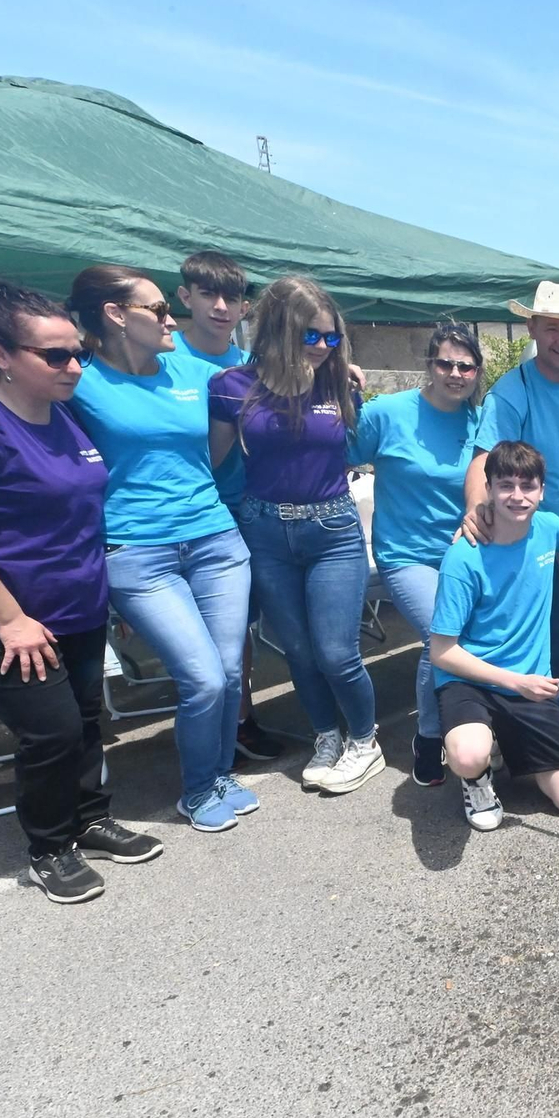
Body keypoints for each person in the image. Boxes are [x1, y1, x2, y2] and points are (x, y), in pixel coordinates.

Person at [0, 264, 257, 835]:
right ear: (117, 316)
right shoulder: (77, 379)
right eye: (157, 309)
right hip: (137, 551)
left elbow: (273, 376)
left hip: (216, 539)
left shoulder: (194, 369)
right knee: (203, 679)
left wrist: (334, 364)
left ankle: (218, 775)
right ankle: (197, 790)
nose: (172, 318)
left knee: (228, 673)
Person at [0, 259, 160, 905]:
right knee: (50, 730)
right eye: (54, 355)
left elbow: (76, 514)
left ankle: (90, 815)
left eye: (78, 353)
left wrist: (105, 593)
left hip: (73, 603)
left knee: (84, 717)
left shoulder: (60, 410)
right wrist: (10, 619)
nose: (73, 366)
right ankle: (52, 846)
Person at [208, 275, 382, 795]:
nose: (324, 347)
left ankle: (365, 742)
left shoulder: (337, 383)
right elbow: (211, 461)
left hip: (332, 529)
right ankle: (326, 735)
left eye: (332, 338)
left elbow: (358, 447)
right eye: (312, 336)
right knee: (298, 653)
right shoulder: (231, 387)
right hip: (263, 529)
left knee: (336, 651)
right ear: (281, 330)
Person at [463, 282, 559, 738]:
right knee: (523, 622)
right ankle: (513, 707)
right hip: (526, 535)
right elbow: (482, 458)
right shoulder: (512, 390)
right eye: (553, 329)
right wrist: (476, 511)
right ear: (532, 327)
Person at [348, 320, 483, 785]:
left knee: (469, 638)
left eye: (466, 366)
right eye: (445, 362)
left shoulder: (479, 422)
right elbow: (339, 458)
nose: (455, 373)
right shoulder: (387, 412)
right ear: (429, 364)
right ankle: (429, 736)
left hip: (463, 552)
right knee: (440, 637)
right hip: (405, 554)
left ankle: (473, 727)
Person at [431, 441, 559, 831]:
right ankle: (476, 776)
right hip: (471, 679)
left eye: (527, 486)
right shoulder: (463, 557)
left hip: (526, 681)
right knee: (469, 755)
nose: (517, 496)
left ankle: (500, 739)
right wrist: (516, 681)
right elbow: (441, 652)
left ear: (542, 490)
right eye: (505, 485)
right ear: (489, 489)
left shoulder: (548, 525)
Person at [169, 249, 286, 765]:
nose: (221, 306)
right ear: (184, 297)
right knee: (202, 647)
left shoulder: (250, 369)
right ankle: (212, 737)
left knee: (238, 630)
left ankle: (239, 721)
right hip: (178, 520)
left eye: (232, 297)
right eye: (209, 294)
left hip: (245, 513)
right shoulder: (158, 358)